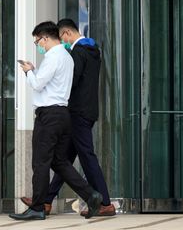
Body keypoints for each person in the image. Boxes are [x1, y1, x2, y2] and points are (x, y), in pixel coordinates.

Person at [20, 18, 115, 216]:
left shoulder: (77, 52)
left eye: (38, 42)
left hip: (74, 112)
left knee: (84, 156)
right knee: (61, 160)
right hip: (79, 111)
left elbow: (68, 82)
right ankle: (46, 199)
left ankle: (103, 202)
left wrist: (32, 74)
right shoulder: (91, 50)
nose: (61, 41)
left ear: (66, 33)